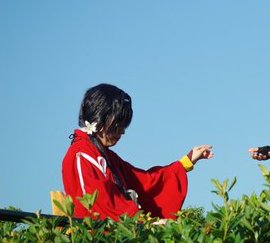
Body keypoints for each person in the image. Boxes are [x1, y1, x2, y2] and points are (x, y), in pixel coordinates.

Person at [61, 83, 213, 220]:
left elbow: (144, 182)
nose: (122, 131)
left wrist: (186, 162)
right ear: (100, 117)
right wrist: (144, 223)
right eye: (118, 124)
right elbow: (102, 205)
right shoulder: (81, 154)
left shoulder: (105, 155)